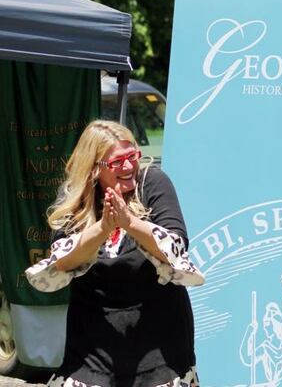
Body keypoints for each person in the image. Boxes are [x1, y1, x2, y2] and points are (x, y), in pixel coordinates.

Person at [25, 120, 204, 386]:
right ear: (94, 168)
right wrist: (103, 228)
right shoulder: (75, 198)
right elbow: (62, 262)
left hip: (160, 344)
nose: (129, 166)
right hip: (92, 348)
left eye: (132, 156)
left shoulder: (152, 182)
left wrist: (130, 223)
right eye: (117, 162)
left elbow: (176, 248)